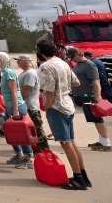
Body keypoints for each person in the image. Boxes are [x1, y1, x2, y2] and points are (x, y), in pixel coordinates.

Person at [38, 39, 90, 190]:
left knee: (65, 143)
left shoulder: (46, 66)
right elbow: (76, 82)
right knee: (71, 142)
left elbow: (49, 91)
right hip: (68, 105)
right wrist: (64, 87)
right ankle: (83, 176)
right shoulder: (62, 63)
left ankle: (78, 179)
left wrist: (47, 107)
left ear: (40, 52)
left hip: (57, 108)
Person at [0, 51, 34, 168]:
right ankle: (19, 154)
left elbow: (14, 92)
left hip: (17, 106)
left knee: (20, 132)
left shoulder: (9, 73)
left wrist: (15, 110)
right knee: (11, 132)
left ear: (1, 61)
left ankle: (27, 157)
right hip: (10, 106)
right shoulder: (4, 73)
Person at [68, 47, 112, 152]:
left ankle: (106, 144)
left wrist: (98, 97)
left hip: (90, 96)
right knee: (94, 119)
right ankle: (102, 141)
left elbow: (96, 82)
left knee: (98, 119)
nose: (71, 60)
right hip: (83, 96)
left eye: (72, 57)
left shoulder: (90, 65)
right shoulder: (79, 65)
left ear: (78, 54)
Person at [16, 55, 49, 152]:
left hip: (31, 107)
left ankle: (44, 151)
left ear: (26, 61)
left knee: (37, 130)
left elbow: (26, 91)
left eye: (19, 60)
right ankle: (36, 149)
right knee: (30, 130)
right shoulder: (23, 73)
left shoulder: (30, 74)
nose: (17, 62)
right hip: (26, 106)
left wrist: (15, 98)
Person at [84, 51, 112, 115]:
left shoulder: (92, 62)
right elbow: (105, 70)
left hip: (101, 80)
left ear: (87, 56)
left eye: (85, 57)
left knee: (105, 96)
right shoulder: (98, 61)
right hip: (104, 79)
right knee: (109, 95)